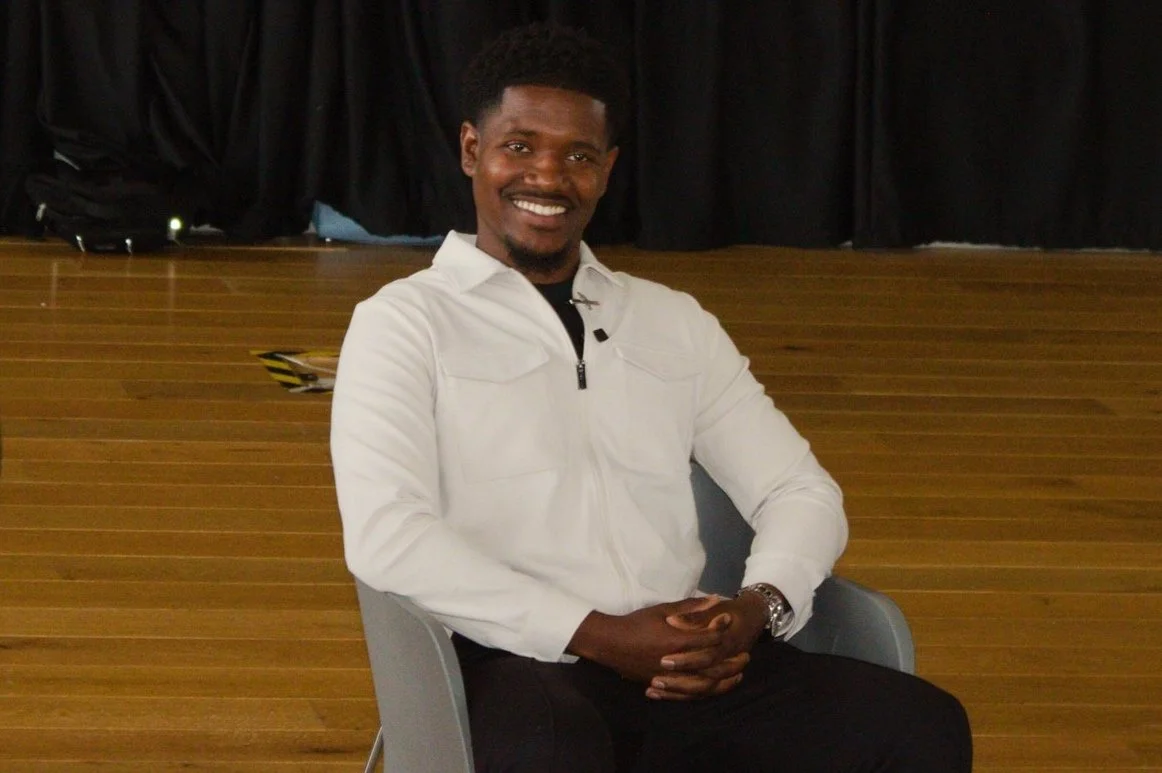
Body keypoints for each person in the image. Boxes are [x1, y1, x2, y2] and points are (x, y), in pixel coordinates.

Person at [331, 22, 972, 773]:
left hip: (687, 660)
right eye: (520, 146)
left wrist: (752, 611)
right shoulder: (403, 323)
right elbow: (388, 535)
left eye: (578, 155)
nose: (547, 175)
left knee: (919, 724)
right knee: (550, 752)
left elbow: (799, 488)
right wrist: (597, 633)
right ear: (473, 150)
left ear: (607, 170)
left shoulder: (673, 321)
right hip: (515, 660)